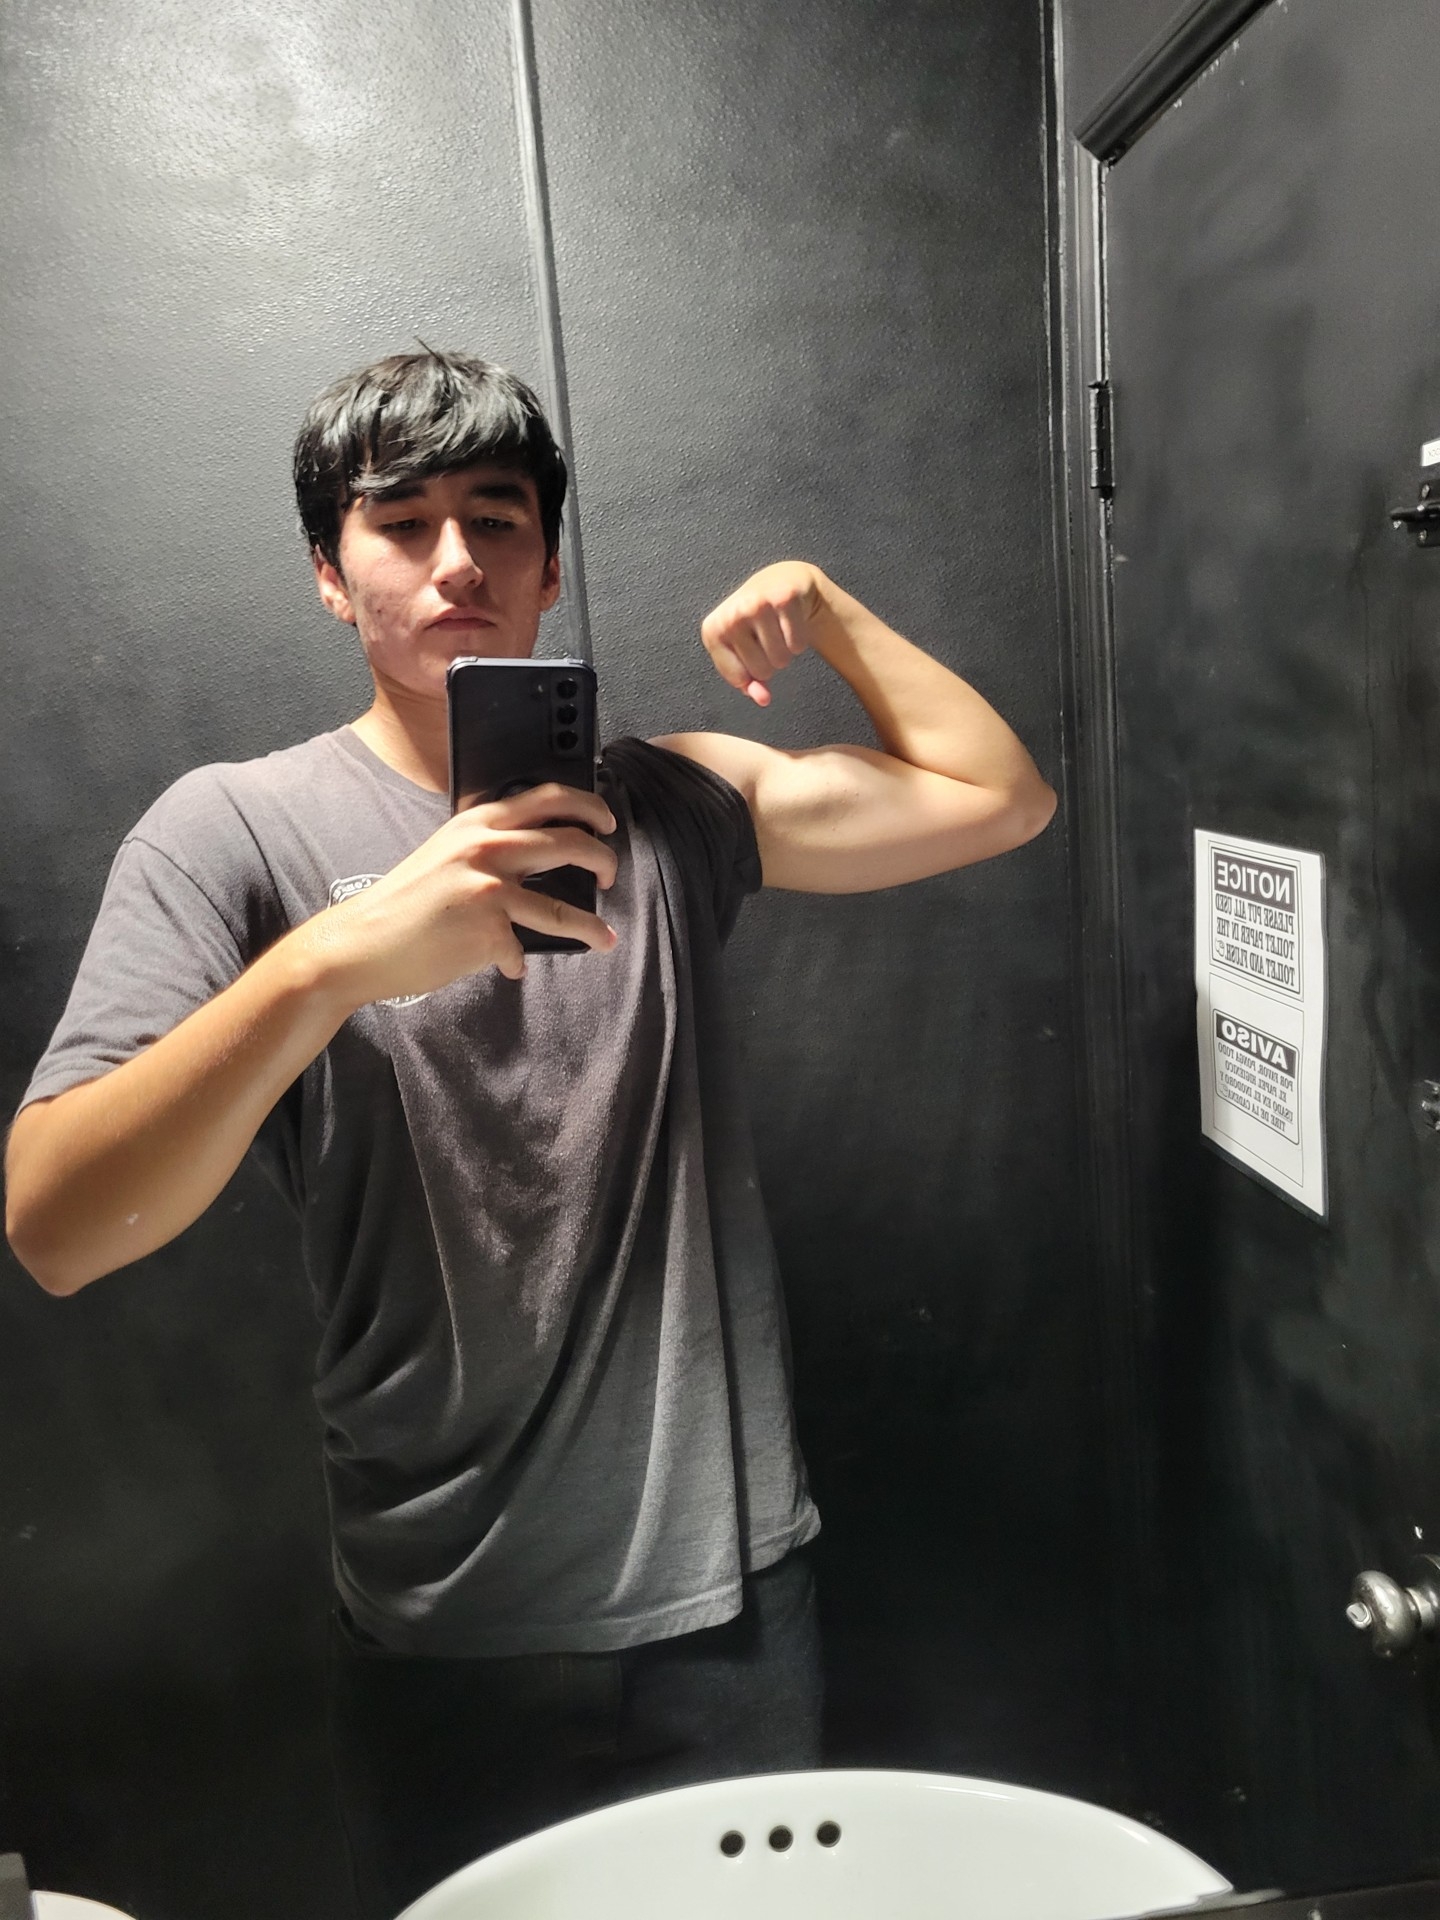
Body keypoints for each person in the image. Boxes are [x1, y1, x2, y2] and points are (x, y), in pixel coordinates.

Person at [4, 348, 1056, 1916]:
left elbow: (1000, 797)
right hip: (447, 1627)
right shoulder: (231, 834)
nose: (455, 561)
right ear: (329, 572)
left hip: (729, 1606)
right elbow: (56, 1228)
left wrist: (830, 612)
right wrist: (335, 962)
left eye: (496, 521)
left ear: (549, 569)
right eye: (400, 521)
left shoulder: (675, 803)